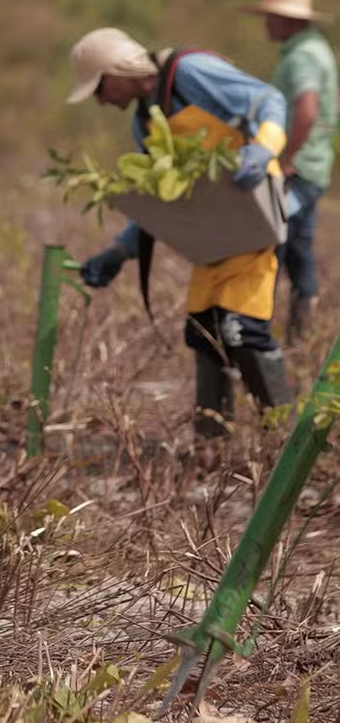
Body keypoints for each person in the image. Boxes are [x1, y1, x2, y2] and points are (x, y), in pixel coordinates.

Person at [70, 28, 292, 437]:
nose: (102, 100)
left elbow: (270, 101)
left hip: (250, 219)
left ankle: (287, 444)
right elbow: (165, 201)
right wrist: (120, 251)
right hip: (213, 237)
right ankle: (213, 444)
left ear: (120, 69)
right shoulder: (145, 124)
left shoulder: (189, 72)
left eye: (100, 87)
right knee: (202, 334)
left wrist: (263, 148)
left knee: (240, 331)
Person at [241, 0, 338, 344]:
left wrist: (285, 159)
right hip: (314, 165)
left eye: (271, 16)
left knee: (270, 245)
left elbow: (307, 109)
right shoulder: (313, 49)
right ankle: (302, 338)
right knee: (299, 249)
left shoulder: (302, 57)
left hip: (299, 168)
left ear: (288, 20)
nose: (266, 23)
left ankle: (259, 337)